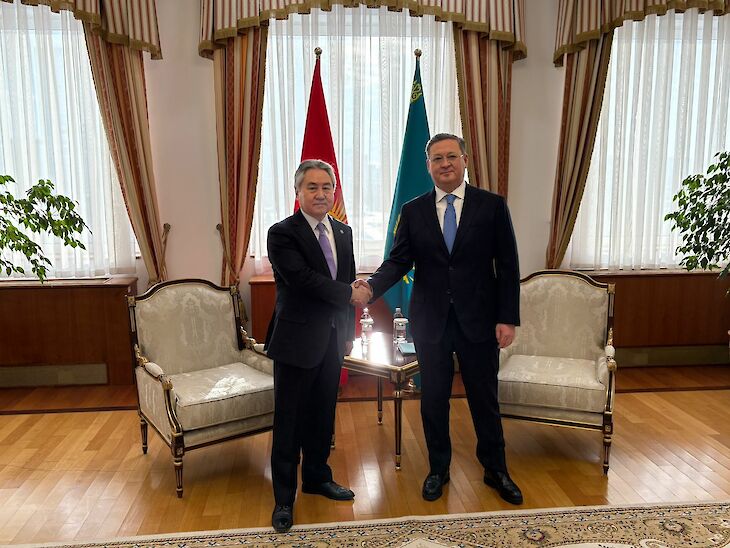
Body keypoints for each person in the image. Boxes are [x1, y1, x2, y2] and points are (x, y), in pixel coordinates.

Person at [354, 133, 523, 505]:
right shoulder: (413, 210)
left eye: (451, 156)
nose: (445, 164)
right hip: (431, 321)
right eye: (437, 159)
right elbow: (398, 261)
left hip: (480, 320)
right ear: (428, 166)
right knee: (433, 400)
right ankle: (438, 469)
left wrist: (507, 318)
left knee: (484, 399)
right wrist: (370, 287)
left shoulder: (492, 206)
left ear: (465, 160)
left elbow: (508, 266)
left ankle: (496, 469)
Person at [266, 159, 371, 532]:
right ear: (298, 192)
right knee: (289, 421)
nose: (321, 193)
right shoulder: (282, 233)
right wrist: (349, 294)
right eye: (312, 187)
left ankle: (316, 477)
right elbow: (302, 279)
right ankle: (284, 498)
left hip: (332, 340)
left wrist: (348, 334)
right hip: (296, 341)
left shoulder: (343, 231)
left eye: (327, 187)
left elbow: (347, 277)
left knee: (323, 414)